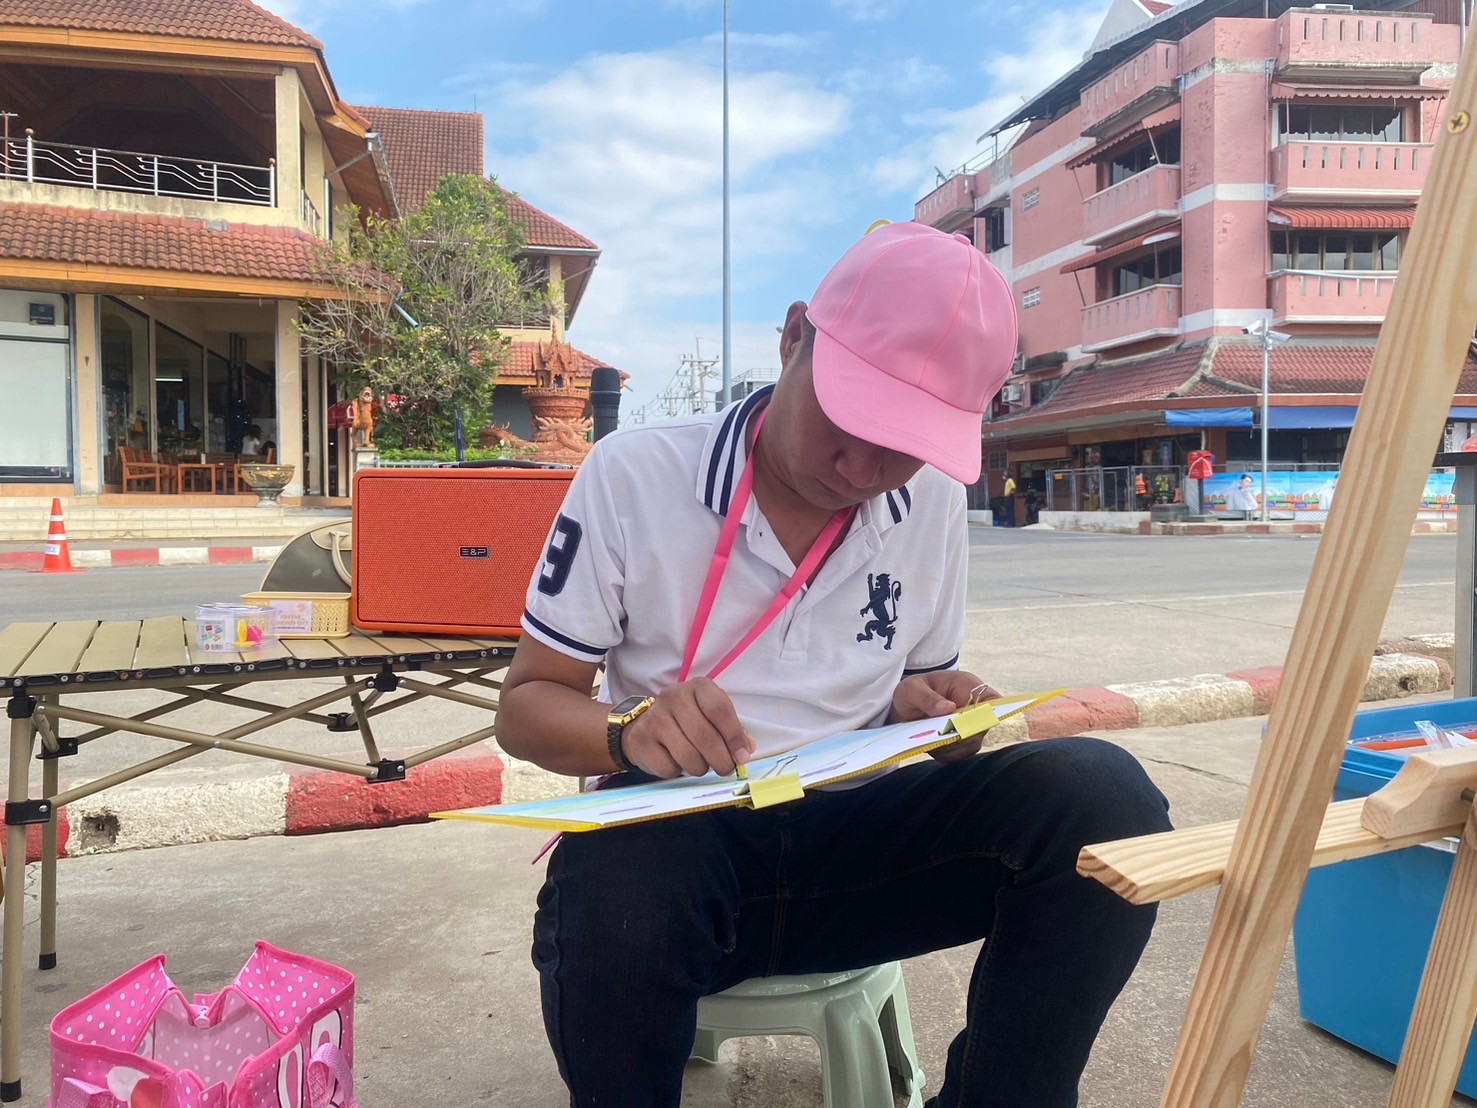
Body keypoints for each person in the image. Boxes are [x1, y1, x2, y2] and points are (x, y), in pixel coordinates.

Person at [496, 222, 1171, 1108]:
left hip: (861, 847)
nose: (860, 467)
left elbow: (915, 690)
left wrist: (937, 716)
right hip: (682, 852)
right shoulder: (636, 475)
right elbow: (527, 706)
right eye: (847, 420)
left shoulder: (928, 498)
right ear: (792, 338)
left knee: (1103, 801)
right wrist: (630, 733)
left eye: (904, 442)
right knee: (619, 875)